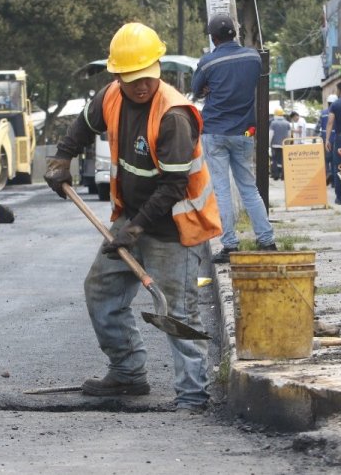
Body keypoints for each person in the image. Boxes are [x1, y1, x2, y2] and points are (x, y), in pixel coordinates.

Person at [43, 21, 222, 415]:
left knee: (177, 311)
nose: (141, 85)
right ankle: (127, 373)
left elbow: (174, 185)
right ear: (118, 76)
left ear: (157, 68)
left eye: (147, 76)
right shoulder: (110, 96)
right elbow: (83, 125)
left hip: (174, 227)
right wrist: (63, 156)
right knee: (101, 290)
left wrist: (135, 229)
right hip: (131, 219)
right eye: (131, 78)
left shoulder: (174, 115)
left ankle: (193, 395)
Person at [191, 14, 277, 264]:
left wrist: (210, 88)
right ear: (235, 34)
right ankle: (267, 240)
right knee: (249, 188)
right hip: (245, 132)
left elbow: (197, 90)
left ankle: (230, 246)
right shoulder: (252, 57)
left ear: (213, 38)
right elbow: (252, 78)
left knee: (221, 189)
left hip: (215, 132)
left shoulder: (207, 63)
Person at [269, 108, 291, 180]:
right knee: (282, 160)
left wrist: (269, 144)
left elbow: (271, 134)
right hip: (284, 145)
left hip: (275, 144)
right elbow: (289, 135)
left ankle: (275, 175)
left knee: (274, 159)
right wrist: (288, 144)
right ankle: (282, 175)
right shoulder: (287, 123)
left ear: (275, 115)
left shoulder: (273, 123)